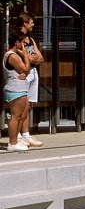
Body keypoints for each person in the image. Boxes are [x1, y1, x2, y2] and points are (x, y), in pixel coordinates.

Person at [16, 12, 44, 148]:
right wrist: (30, 58)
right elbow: (21, 56)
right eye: (31, 22)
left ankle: (26, 134)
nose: (33, 25)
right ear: (25, 23)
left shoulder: (31, 40)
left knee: (29, 105)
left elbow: (40, 58)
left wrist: (30, 57)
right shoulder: (18, 39)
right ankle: (17, 135)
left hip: (33, 72)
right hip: (23, 72)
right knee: (22, 105)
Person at [4, 29, 32, 152]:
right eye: (23, 43)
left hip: (21, 88)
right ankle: (12, 143)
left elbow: (26, 71)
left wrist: (25, 73)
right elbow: (26, 68)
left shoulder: (15, 55)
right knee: (15, 116)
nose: (24, 45)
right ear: (17, 43)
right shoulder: (11, 56)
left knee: (22, 114)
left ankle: (17, 139)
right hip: (15, 89)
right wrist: (25, 54)